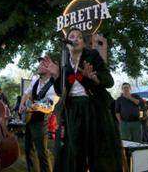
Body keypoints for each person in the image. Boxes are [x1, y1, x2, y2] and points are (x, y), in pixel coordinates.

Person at [42, 28, 123, 172]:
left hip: (94, 107)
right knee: (73, 151)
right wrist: (56, 76)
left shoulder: (92, 55)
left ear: (84, 43)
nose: (76, 38)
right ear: (67, 43)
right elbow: (61, 92)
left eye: (79, 37)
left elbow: (109, 81)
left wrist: (94, 77)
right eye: (72, 36)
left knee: (99, 150)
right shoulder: (64, 62)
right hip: (73, 109)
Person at [18, 58, 57, 172]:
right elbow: (27, 93)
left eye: (42, 64)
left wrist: (33, 106)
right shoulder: (35, 79)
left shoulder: (55, 85)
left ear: (51, 68)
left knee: (42, 153)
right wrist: (21, 104)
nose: (39, 65)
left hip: (41, 120)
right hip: (31, 118)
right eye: (39, 63)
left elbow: (49, 106)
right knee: (29, 149)